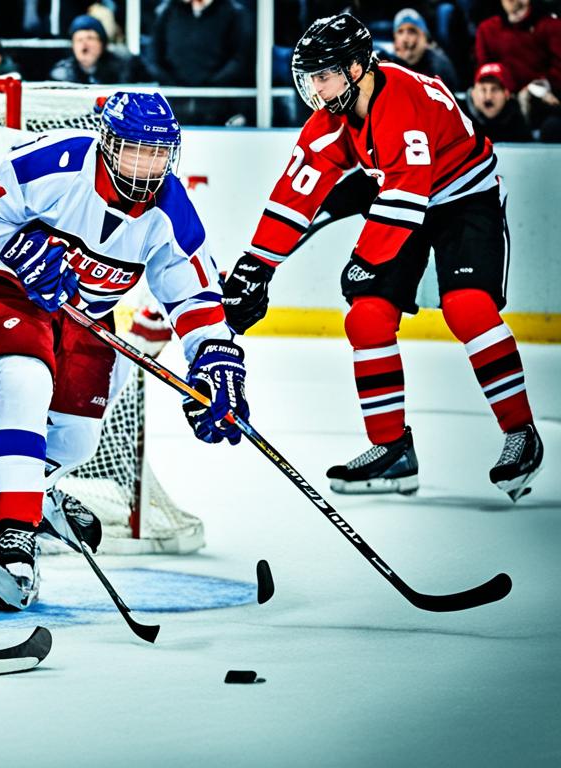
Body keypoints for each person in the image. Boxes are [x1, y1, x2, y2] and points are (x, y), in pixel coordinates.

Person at [0, 91, 248, 610]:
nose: (147, 166)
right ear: (107, 143)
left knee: (77, 440)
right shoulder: (57, 163)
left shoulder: (170, 209)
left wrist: (213, 354)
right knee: (24, 380)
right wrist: (18, 246)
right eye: (134, 150)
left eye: (158, 154)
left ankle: (24, 487)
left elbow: (191, 291)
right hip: (12, 287)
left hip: (88, 312)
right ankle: (14, 537)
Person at [221, 14, 543, 501]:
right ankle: (392, 448)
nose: (314, 88)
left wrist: (367, 260)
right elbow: (297, 191)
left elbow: (408, 200)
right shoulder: (334, 115)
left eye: (322, 76)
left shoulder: (403, 99)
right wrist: (256, 266)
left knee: (467, 307)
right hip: (399, 191)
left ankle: (521, 432)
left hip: (463, 197)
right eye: (309, 78)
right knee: (367, 316)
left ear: (355, 69)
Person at [149, 0, 254, 125]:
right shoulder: (167, 11)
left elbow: (241, 60)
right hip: (174, 105)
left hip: (219, 108)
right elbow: (153, 58)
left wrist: (210, 85)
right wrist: (173, 84)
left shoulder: (235, 13)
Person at [474, 0, 561, 142]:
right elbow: (484, 70)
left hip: (544, 101)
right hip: (504, 99)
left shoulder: (551, 26)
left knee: (552, 127)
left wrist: (536, 88)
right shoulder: (487, 29)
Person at [49, 13, 148, 85]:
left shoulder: (125, 66)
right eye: (79, 40)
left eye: (90, 38)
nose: (85, 44)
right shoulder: (62, 73)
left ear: (102, 43)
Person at [390, 8, 459, 91]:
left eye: (412, 31)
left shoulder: (439, 67)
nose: (405, 38)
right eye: (400, 32)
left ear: (424, 37)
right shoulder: (388, 64)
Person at [468, 62, 533, 142]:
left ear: (507, 94)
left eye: (495, 89)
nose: (488, 97)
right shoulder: (458, 121)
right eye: (483, 89)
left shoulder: (519, 125)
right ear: (473, 93)